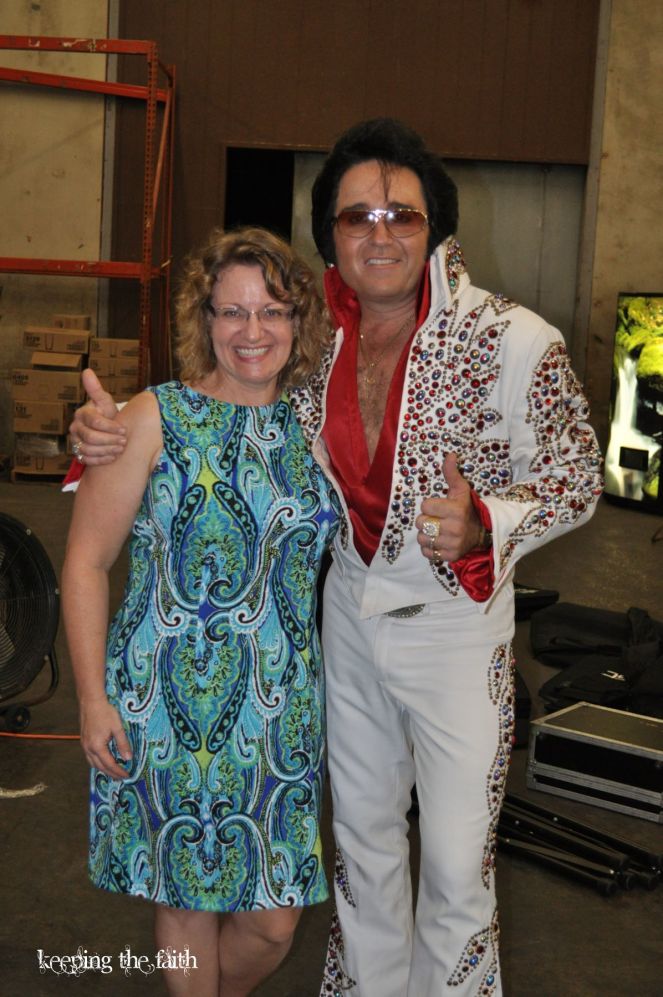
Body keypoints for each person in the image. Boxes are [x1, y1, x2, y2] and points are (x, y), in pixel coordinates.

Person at [69, 119, 604, 997]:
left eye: (401, 215)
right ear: (332, 236)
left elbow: (578, 473)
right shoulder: (317, 348)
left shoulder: (512, 338)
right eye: (358, 216)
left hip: (453, 630)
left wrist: (486, 522)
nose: (379, 234)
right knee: (363, 853)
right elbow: (201, 411)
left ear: (435, 227)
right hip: (340, 633)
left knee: (456, 865)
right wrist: (98, 430)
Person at [61, 226, 339, 997]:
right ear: (204, 318)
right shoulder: (152, 417)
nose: (253, 330)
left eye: (272, 311)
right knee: (186, 899)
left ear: (298, 318)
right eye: (232, 311)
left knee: (273, 919)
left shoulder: (312, 425)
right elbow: (85, 563)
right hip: (166, 704)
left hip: (279, 707)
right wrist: (91, 699)